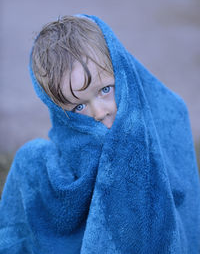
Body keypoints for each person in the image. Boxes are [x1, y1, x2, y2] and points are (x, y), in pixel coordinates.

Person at [0, 14, 200, 254]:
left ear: (121, 72)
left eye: (105, 90)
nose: (99, 112)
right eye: (78, 107)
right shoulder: (41, 167)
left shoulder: (164, 119)